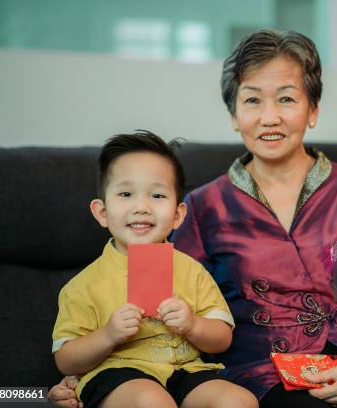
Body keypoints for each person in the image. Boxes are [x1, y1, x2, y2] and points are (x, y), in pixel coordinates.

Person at [50, 30, 337, 408]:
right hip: (262, 372)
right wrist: (81, 377)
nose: (269, 117)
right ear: (234, 116)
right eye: (252, 100)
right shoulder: (203, 206)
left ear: (313, 110)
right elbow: (158, 302)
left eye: (286, 99)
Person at [51, 131, 258, 408]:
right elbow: (65, 360)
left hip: (186, 371)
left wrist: (193, 324)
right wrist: (108, 335)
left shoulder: (192, 272)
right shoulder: (83, 285)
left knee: (239, 401)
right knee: (152, 401)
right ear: (102, 212)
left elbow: (222, 339)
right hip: (119, 375)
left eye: (157, 195)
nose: (142, 207)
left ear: (177, 215)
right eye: (126, 194)